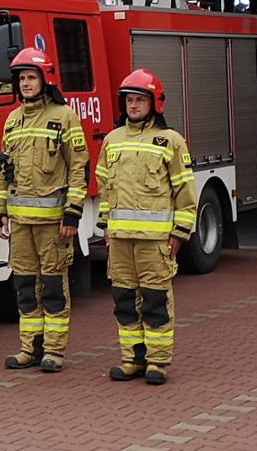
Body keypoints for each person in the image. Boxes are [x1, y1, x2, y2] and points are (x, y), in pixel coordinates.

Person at [0, 47, 87, 372]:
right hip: (21, 224)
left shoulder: (64, 116)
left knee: (54, 286)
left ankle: (54, 352)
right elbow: (5, 170)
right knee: (25, 286)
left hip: (53, 225)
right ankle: (29, 348)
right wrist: (1, 210)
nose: (26, 84)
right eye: (21, 79)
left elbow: (78, 168)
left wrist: (72, 213)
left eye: (31, 77)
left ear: (45, 80)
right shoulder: (13, 120)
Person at [96, 69, 197, 386]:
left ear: (155, 103)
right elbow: (105, 188)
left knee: (155, 301)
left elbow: (185, 193)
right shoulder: (112, 141)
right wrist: (105, 226)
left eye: (140, 99)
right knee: (124, 301)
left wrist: (180, 234)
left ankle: (157, 362)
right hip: (121, 241)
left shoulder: (171, 141)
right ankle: (132, 360)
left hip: (155, 243)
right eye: (129, 100)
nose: (134, 105)